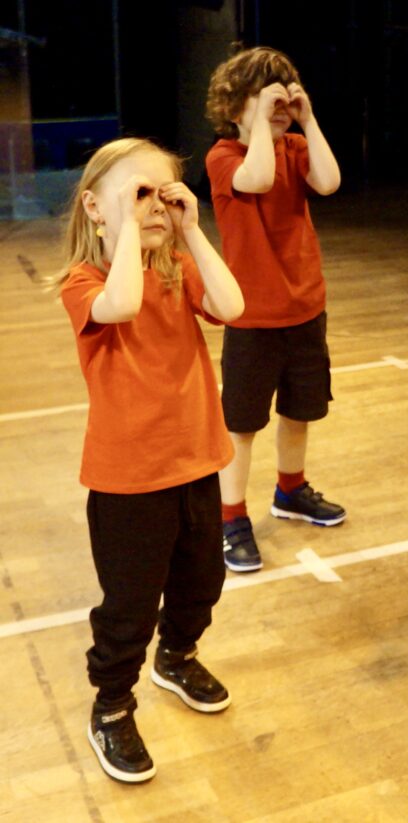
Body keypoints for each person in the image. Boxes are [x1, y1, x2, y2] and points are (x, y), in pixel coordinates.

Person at [58, 138, 245, 782]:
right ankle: (111, 706)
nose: (154, 206)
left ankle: (178, 656)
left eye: (163, 193)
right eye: (136, 193)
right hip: (127, 481)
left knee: (203, 585)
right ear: (95, 208)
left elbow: (233, 307)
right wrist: (133, 232)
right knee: (129, 605)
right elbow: (122, 305)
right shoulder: (85, 283)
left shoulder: (177, 269)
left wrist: (192, 232)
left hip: (197, 462)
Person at [205, 46, 344, 573]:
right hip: (252, 317)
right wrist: (263, 119)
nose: (278, 106)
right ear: (234, 105)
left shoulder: (294, 146)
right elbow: (258, 180)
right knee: (242, 424)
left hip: (306, 307)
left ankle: (290, 490)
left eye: (284, 94)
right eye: (263, 97)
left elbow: (329, 182)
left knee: (300, 411)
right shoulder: (225, 157)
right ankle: (231, 515)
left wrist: (305, 121)